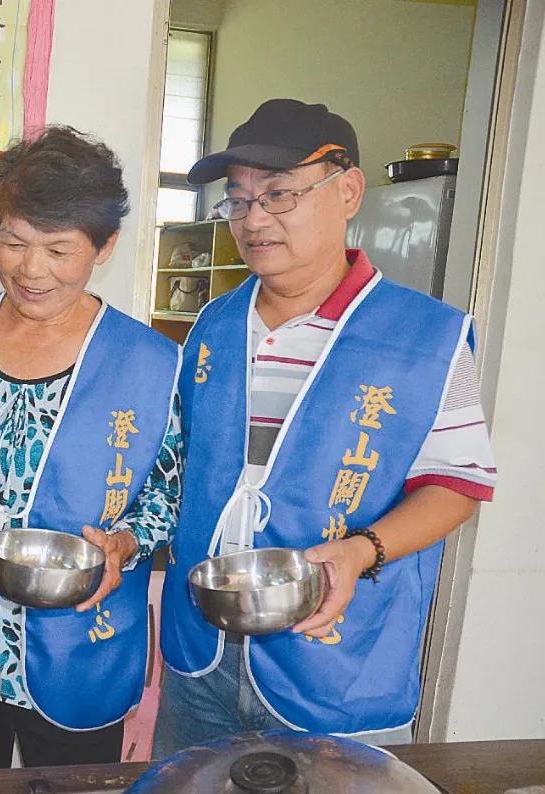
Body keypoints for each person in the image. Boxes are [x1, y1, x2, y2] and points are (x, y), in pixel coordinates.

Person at [152, 99, 497, 757]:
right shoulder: (214, 326)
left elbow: (456, 486)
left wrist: (362, 548)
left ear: (348, 191)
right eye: (239, 201)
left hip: (335, 661)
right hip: (202, 649)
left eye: (279, 194)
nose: (254, 221)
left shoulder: (428, 337)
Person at [0, 126, 183, 768]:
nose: (31, 269)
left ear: (104, 247)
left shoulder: (156, 362)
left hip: (83, 646)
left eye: (57, 249)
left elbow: (169, 495)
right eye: (13, 242)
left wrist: (124, 543)